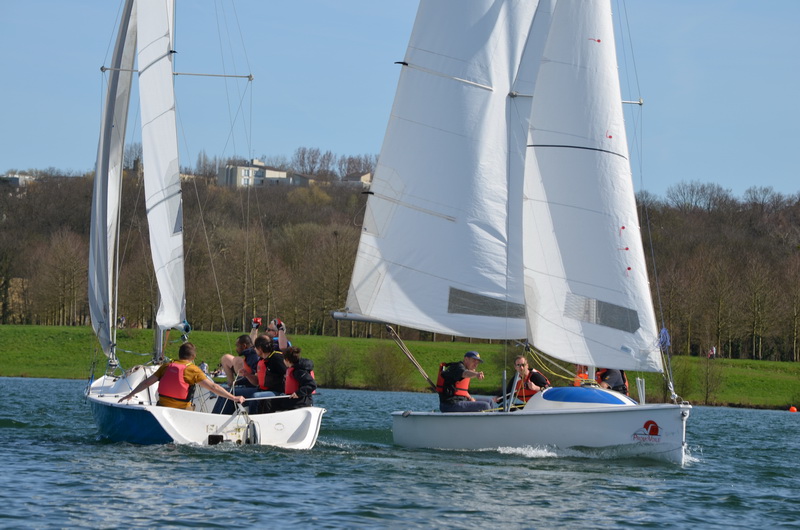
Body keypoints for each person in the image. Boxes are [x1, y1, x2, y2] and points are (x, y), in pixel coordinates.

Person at [118, 342, 245, 409]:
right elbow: (213, 387)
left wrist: (130, 394)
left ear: (179, 354)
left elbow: (147, 383)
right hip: (183, 410)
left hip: (162, 407)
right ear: (194, 357)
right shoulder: (193, 370)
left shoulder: (166, 366)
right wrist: (233, 397)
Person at [273, 346, 316, 411]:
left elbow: (311, 384)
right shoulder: (294, 370)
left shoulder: (298, 371)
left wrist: (298, 393)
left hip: (300, 404)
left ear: (287, 360)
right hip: (293, 403)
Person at [251, 335, 287, 412]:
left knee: (255, 396)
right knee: (234, 391)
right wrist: (246, 375)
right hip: (262, 390)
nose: (254, 349)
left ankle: (252, 417)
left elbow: (287, 374)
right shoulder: (262, 359)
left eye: (255, 348)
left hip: (278, 392)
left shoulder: (277, 358)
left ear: (260, 349)